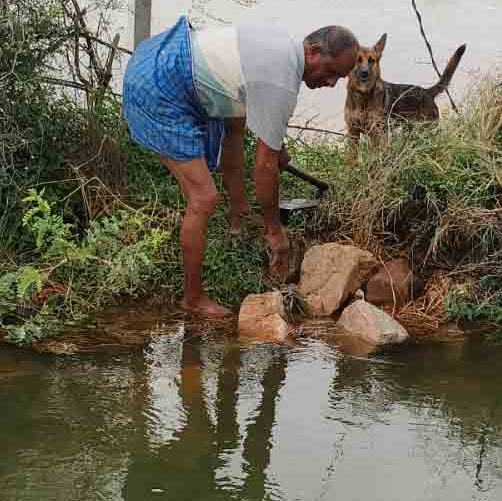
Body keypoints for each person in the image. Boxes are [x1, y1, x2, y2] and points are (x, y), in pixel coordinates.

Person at [122, 17, 359, 319]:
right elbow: (264, 165)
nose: (330, 83)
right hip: (158, 83)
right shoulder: (281, 80)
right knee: (203, 198)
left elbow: (244, 126)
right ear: (312, 52)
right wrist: (275, 232)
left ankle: (238, 217)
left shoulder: (281, 47)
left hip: (158, 54)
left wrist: (276, 152)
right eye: (331, 73)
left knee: (234, 122)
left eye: (339, 78)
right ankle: (192, 299)